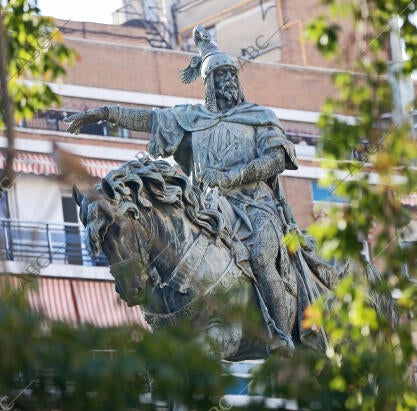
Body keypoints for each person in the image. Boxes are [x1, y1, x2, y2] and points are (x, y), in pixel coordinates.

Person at [66, 26, 336, 353]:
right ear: (208, 84)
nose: (228, 82)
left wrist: (238, 174)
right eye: (220, 77)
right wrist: (106, 113)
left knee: (264, 256)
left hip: (256, 207)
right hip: (208, 208)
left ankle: (279, 335)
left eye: (231, 75)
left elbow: (277, 157)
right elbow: (149, 120)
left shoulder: (259, 116)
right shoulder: (192, 119)